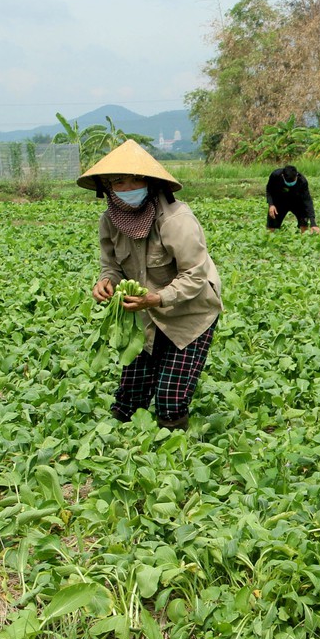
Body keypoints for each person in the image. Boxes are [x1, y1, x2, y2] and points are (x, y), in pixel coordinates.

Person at [79, 140, 223, 431]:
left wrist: (157, 298)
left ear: (152, 181)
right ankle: (120, 447)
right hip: (145, 317)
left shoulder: (175, 219)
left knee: (170, 399)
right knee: (129, 398)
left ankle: (171, 453)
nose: (129, 186)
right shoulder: (109, 221)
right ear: (106, 188)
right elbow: (112, 266)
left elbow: (195, 275)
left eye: (137, 178)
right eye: (119, 181)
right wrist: (106, 282)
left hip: (190, 315)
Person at [266, 164, 320, 233]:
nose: (290, 184)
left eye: (293, 181)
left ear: (296, 175)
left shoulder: (302, 181)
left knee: (304, 222)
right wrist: (271, 204)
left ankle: (304, 240)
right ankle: (269, 240)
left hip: (297, 202)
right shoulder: (275, 175)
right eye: (288, 182)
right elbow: (269, 190)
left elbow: (307, 201)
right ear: (283, 176)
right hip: (279, 201)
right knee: (271, 225)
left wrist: (313, 223)